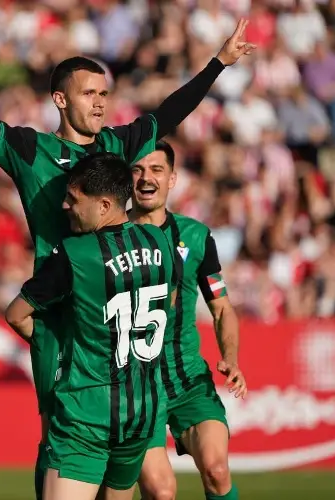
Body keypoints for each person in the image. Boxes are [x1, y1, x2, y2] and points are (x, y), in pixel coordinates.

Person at [0, 20, 254, 499]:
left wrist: (219, 63)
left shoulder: (117, 144)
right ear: (61, 100)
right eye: (89, 93)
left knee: (128, 453)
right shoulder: (32, 150)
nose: (100, 102)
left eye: (104, 93)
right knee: (61, 434)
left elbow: (169, 113)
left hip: (114, 316)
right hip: (61, 314)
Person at [5, 153, 177, 500]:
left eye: (73, 198)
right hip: (141, 412)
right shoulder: (160, 241)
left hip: (87, 413)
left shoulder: (76, 253)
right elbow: (169, 300)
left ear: (103, 205)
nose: (65, 206)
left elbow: (16, 314)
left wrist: (64, 345)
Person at [128, 141, 247, 500]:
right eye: (138, 170)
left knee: (217, 469)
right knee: (161, 492)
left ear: (173, 179)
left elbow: (222, 307)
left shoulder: (196, 236)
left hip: (188, 381)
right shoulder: (108, 236)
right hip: (133, 388)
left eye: (157, 170)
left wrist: (231, 358)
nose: (147, 178)